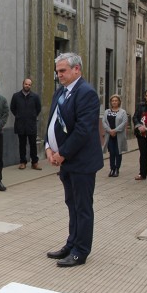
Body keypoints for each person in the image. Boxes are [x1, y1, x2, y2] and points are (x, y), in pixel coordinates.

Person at [45, 53, 103, 268]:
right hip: (66, 161)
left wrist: (63, 153)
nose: (59, 75)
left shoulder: (86, 93)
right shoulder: (61, 92)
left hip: (82, 162)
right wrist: (48, 146)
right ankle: (71, 243)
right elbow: (52, 121)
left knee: (83, 207)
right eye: (57, 71)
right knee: (72, 205)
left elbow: (83, 130)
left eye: (63, 71)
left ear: (76, 69)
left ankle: (81, 251)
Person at [10, 78, 42, 170]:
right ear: (23, 84)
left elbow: (38, 108)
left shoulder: (35, 97)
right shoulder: (16, 96)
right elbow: (12, 108)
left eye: (29, 84)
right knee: (22, 144)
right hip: (20, 124)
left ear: (30, 86)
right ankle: (23, 162)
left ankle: (34, 162)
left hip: (31, 124)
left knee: (33, 144)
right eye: (26, 84)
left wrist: (32, 116)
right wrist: (19, 115)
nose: (27, 86)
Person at [101, 94, 128, 177]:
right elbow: (104, 122)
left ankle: (117, 169)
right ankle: (112, 168)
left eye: (116, 101)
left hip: (118, 135)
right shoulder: (107, 111)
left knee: (118, 152)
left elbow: (124, 123)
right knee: (112, 152)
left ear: (119, 102)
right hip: (109, 135)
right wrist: (109, 130)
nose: (114, 102)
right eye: (113, 101)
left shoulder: (122, 112)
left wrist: (115, 130)